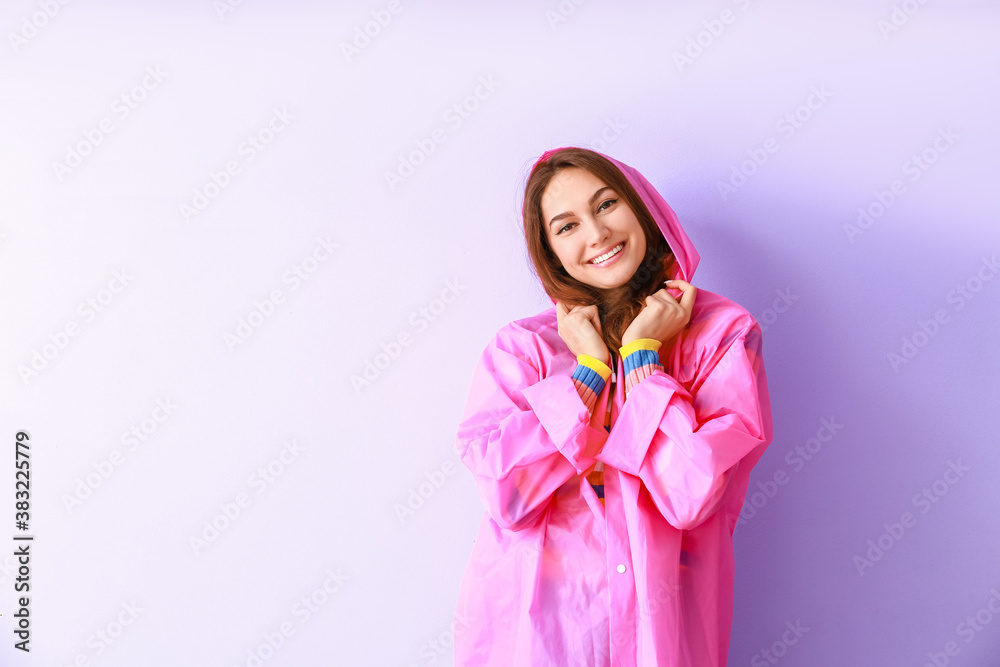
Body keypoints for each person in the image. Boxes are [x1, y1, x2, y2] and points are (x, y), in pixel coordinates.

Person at [452, 147, 774, 666]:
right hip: (541, 637)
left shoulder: (721, 336)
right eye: (566, 226)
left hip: (662, 631)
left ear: (642, 209)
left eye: (606, 204)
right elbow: (507, 496)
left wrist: (644, 359)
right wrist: (590, 373)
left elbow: (690, 495)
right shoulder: (521, 351)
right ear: (550, 252)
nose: (596, 235)